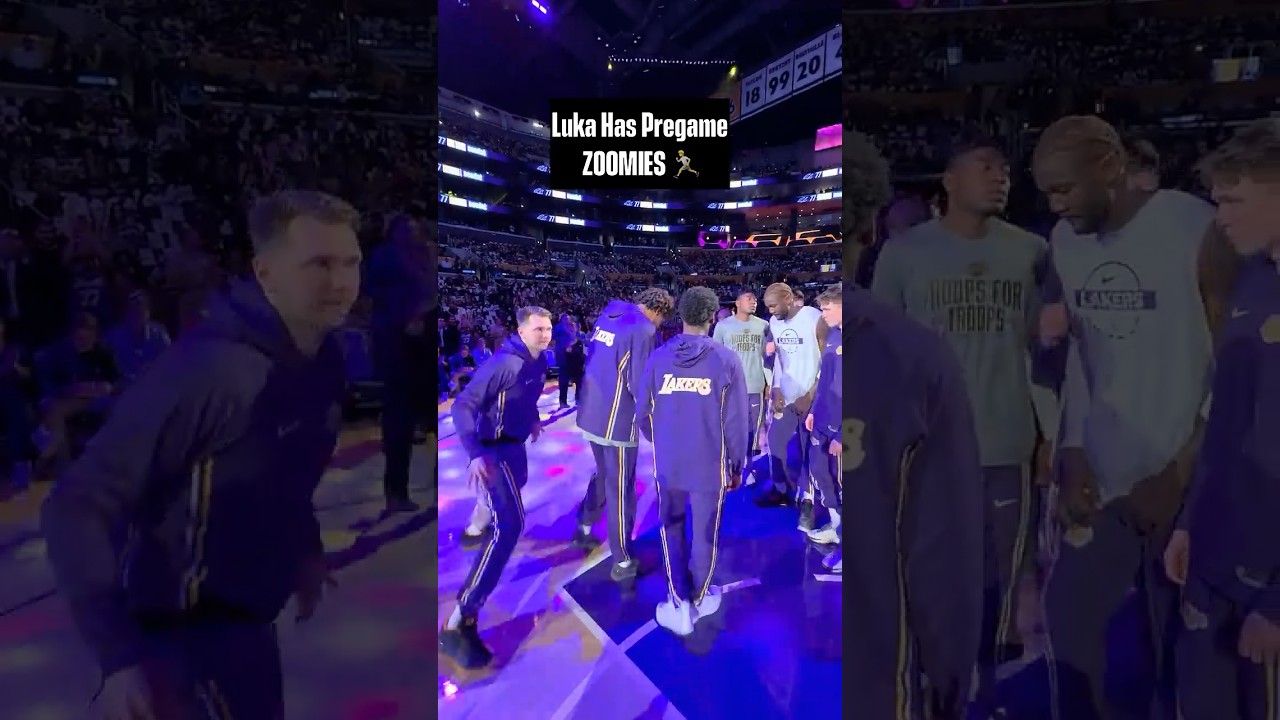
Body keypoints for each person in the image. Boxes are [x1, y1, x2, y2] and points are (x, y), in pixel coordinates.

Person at [41, 190, 360, 719]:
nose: (341, 282)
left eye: (351, 263)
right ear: (265, 273)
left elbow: (286, 472)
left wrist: (304, 548)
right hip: (181, 638)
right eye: (319, 264)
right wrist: (118, 653)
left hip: (249, 623)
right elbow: (76, 504)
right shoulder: (209, 372)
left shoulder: (324, 360)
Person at [1031, 115, 1237, 719]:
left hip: (1187, 480)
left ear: (1110, 167)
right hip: (1105, 476)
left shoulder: (1194, 226)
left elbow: (1235, 363)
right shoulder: (1066, 241)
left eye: (1064, 188)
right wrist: (1072, 445)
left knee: (1177, 650)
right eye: (1046, 192)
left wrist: (1181, 472)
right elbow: (1084, 353)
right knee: (1068, 618)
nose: (1055, 204)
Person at [872, 133, 1055, 664]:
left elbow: (1046, 353)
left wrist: (1051, 433)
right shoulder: (903, 254)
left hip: (1008, 434)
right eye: (985, 166)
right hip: (931, 441)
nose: (1000, 177)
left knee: (1006, 560)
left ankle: (999, 648)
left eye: (1005, 169)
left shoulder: (1032, 251)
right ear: (950, 180)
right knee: (935, 560)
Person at [842, 128, 984, 720]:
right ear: (871, 225)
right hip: (878, 681)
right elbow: (944, 556)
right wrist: (952, 681)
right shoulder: (917, 358)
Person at [1173, 119, 1280, 720]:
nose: (1221, 218)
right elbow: (1225, 423)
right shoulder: (1253, 281)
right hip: (1218, 564)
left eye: (1234, 201)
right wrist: (1191, 523)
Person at [442, 306, 552, 669]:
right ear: (521, 332)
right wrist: (474, 453)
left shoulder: (538, 361)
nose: (544, 334)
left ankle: (479, 518)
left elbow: (528, 397)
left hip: (514, 446)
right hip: (492, 450)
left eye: (547, 328)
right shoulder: (505, 363)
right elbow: (462, 406)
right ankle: (459, 618)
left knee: (513, 494)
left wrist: (533, 419)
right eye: (537, 329)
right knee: (510, 526)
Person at [636, 286, 747, 636]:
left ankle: (679, 601)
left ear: (681, 315)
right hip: (709, 464)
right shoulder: (727, 360)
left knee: (671, 527)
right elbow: (737, 422)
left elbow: (642, 413)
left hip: (669, 462)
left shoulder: (658, 358)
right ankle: (698, 598)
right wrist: (736, 464)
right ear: (713, 317)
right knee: (705, 533)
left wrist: (662, 439)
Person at [571, 288, 674, 584]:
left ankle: (585, 524)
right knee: (621, 488)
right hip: (616, 420)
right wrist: (654, 422)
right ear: (658, 312)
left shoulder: (609, 314)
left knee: (603, 474)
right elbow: (639, 384)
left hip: (590, 410)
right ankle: (623, 559)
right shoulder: (643, 329)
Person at [367, 215, 432, 513]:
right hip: (395, 340)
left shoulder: (422, 255)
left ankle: (426, 488)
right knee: (398, 418)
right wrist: (405, 316)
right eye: (407, 230)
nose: (413, 234)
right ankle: (396, 492)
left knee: (425, 416)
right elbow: (373, 293)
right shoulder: (385, 257)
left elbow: (429, 292)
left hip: (421, 341)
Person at [757, 282, 826, 536]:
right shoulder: (775, 323)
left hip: (811, 397)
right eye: (768, 307)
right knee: (775, 440)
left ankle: (807, 500)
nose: (771, 311)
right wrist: (775, 387)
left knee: (809, 449)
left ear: (788, 299)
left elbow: (827, 358)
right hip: (785, 395)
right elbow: (780, 359)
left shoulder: (814, 317)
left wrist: (812, 394)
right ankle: (782, 490)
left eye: (773, 305)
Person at [711, 289, 769, 483]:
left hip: (755, 386)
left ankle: (749, 469)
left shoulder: (763, 326)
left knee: (753, 432)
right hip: (731, 388)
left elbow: (768, 358)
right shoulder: (723, 326)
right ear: (737, 302)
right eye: (748, 298)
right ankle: (730, 467)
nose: (753, 302)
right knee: (731, 429)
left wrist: (769, 383)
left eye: (755, 299)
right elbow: (715, 357)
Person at [803, 283, 842, 549]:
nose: (823, 314)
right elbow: (824, 378)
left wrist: (844, 433)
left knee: (842, 480)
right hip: (823, 419)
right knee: (819, 471)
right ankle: (836, 524)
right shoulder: (832, 334)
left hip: (843, 426)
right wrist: (814, 410)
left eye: (827, 309)